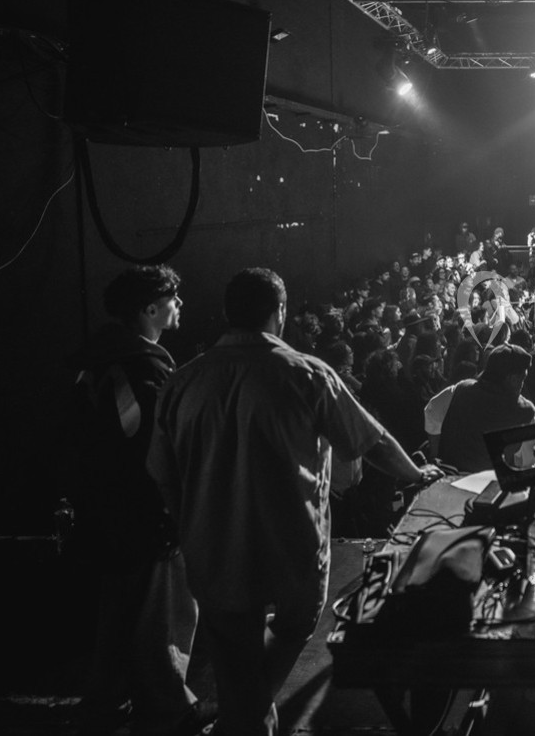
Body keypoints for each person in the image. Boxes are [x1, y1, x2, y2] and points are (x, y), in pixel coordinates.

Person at [148, 268, 442, 736]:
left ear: (228, 314)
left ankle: (244, 718)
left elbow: (161, 474)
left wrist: (189, 521)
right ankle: (247, 720)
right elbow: (373, 442)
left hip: (210, 544)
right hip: (292, 544)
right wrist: (417, 473)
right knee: (296, 623)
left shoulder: (182, 382)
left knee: (231, 642)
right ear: (279, 312)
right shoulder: (307, 373)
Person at [65, 265, 213, 736]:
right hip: (143, 512)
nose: (180, 306)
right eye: (173, 298)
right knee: (161, 617)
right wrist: (173, 507)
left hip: (104, 508)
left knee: (118, 612)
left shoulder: (97, 358)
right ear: (150, 309)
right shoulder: (144, 364)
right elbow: (153, 444)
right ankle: (170, 707)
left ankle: (104, 702)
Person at [436, 343, 535, 473]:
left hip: (448, 475)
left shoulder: (461, 388)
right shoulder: (525, 411)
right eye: (523, 378)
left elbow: (431, 411)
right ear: (513, 379)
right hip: (488, 485)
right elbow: (528, 463)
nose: (522, 384)